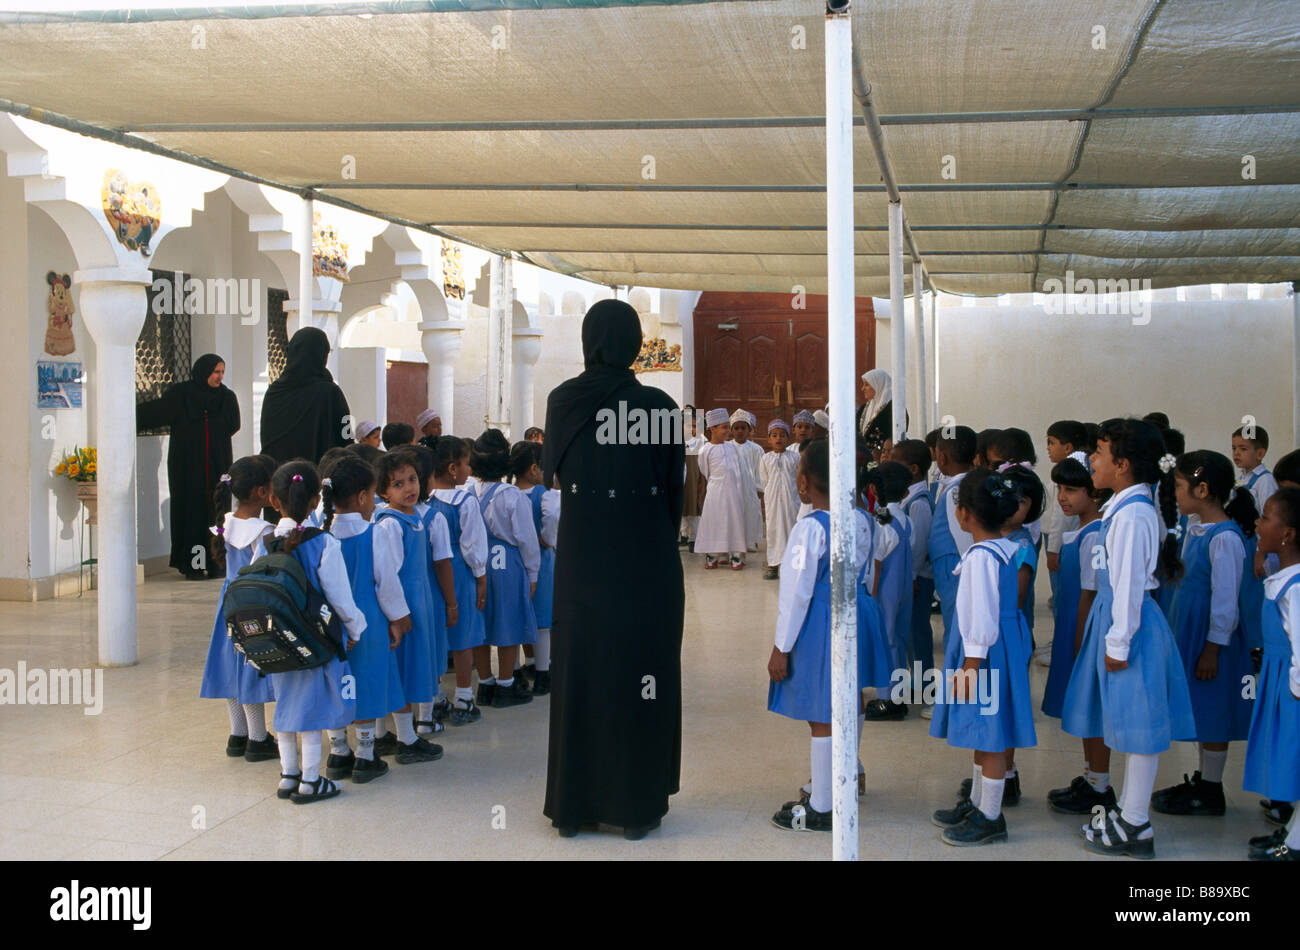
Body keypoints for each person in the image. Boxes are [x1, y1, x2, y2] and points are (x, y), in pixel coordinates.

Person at [541, 299, 684, 840]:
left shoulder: (563, 402)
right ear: (633, 343)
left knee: (582, 671)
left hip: (583, 559)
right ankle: (634, 807)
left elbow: (554, 473)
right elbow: (674, 493)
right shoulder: (659, 407)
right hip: (644, 559)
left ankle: (574, 808)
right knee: (640, 673)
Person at [1060, 418, 1197, 858]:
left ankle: (1136, 823)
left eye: (1097, 453)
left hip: (1129, 629)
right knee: (1128, 722)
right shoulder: (1125, 506)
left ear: (1121, 465)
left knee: (1139, 727)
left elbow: (1130, 587)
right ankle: (1129, 814)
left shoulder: (1134, 515)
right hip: (1120, 623)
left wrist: (1117, 645)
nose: (1091, 461)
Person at [929, 468, 1037, 846]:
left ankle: (990, 816)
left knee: (990, 734)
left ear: (964, 515)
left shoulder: (979, 556)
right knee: (983, 729)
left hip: (983, 654)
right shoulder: (1008, 548)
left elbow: (983, 615)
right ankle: (978, 803)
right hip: (999, 648)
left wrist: (971, 666)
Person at [1152, 450, 1258, 817]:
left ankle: (1212, 789)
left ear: (1202, 490)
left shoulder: (1224, 538)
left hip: (1213, 642)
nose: (1175, 494)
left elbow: (1227, 603)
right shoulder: (1196, 529)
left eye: (1179, 487)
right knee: (1200, 708)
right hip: (1194, 634)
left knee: (1214, 711)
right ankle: (1203, 778)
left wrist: (1213, 649)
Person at [260, 461, 363, 804]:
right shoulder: (324, 544)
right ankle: (310, 781)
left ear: (274, 501)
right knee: (313, 709)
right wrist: (354, 629)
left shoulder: (265, 541)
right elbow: (339, 596)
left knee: (286, 706)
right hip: (315, 639)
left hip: (278, 639)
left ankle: (288, 775)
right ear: (317, 498)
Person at [320, 455, 407, 784]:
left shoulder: (320, 534)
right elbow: (387, 584)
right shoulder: (374, 534)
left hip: (330, 623)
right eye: (372, 494)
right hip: (368, 621)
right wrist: (398, 619)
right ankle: (366, 758)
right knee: (367, 684)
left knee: (337, 684)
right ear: (360, 497)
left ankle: (338, 753)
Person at [199, 454, 277, 761]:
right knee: (250, 665)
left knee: (229, 662)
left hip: (227, 601)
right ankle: (258, 738)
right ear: (262, 492)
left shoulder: (226, 522)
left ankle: (237, 733)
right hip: (251, 604)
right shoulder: (263, 530)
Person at [371, 450, 446, 764]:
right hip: (404, 605)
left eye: (412, 479)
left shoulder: (415, 517)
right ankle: (406, 739)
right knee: (402, 670)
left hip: (419, 599)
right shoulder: (390, 524)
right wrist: (397, 616)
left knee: (413, 666)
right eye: (398, 484)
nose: (408, 488)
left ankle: (390, 735)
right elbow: (389, 575)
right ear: (384, 492)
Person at [136, 353, 241, 579]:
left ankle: (215, 564)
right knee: (190, 514)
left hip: (217, 466)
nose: (219, 377)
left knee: (216, 514)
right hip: (187, 468)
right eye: (215, 372)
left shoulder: (226, 397)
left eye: (222, 372)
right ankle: (193, 565)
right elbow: (158, 411)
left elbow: (234, 424)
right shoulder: (181, 395)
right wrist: (127, 414)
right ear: (204, 372)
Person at [1242, 488, 1300, 861]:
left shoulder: (1296, 588)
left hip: (1293, 688)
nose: (1258, 523)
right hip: (1282, 682)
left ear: (1288, 533)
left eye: (1265, 517)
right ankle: (1294, 832)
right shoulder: (1285, 578)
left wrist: (1293, 691)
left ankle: (1295, 845)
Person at [470, 429, 539, 708]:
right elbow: (527, 540)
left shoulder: (468, 492)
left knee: (480, 626)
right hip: (507, 566)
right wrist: (533, 573)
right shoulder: (512, 496)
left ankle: (484, 684)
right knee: (508, 624)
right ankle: (506, 684)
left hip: (477, 566)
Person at [426, 436, 488, 725]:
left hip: (432, 575)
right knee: (464, 636)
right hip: (461, 575)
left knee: (438, 636)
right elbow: (473, 545)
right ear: (453, 468)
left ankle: (437, 696)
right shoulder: (466, 501)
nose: (469, 468)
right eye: (465, 463)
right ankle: (464, 697)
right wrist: (481, 577)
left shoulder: (424, 503)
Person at [260, 328, 350, 467]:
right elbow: (346, 436)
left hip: (279, 478)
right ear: (320, 355)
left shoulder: (274, 392)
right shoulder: (329, 392)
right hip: (318, 478)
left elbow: (267, 441)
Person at [863, 462, 911, 721]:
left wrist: (870, 597)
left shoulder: (880, 522)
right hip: (903, 590)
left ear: (872, 489)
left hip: (885, 593)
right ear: (905, 493)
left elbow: (876, 565)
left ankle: (888, 699)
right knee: (899, 641)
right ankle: (898, 693)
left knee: (886, 641)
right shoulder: (904, 518)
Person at [512, 440, 559, 695]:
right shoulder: (543, 494)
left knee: (522, 613)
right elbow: (552, 517)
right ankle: (543, 673)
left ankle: (527, 663)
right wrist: (547, 540)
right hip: (541, 560)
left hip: (515, 561)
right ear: (533, 468)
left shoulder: (508, 492)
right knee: (542, 620)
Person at [892, 440, 937, 693]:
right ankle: (917, 678)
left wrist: (910, 578)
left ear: (914, 469)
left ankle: (926, 684)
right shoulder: (909, 497)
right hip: (911, 579)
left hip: (918, 579)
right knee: (909, 632)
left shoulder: (919, 503)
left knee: (918, 632)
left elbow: (918, 549)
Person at [929, 426, 977, 664]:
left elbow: (964, 538)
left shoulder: (956, 492)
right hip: (954, 571)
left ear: (942, 457)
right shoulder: (962, 485)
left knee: (957, 628)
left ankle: (955, 690)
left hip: (956, 570)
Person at [695, 408, 748, 570]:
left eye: (728, 427)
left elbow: (737, 469)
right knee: (714, 521)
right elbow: (705, 471)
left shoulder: (732, 448)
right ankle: (712, 554)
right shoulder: (705, 450)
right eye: (724, 427)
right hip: (715, 491)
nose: (728, 431)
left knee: (734, 520)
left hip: (733, 491)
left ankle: (736, 555)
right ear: (712, 429)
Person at [760, 419, 799, 580]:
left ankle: (791, 563)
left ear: (788, 438)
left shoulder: (795, 457)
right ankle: (773, 563)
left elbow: (798, 478)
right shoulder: (765, 459)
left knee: (792, 528)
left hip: (791, 501)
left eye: (782, 435)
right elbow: (764, 481)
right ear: (769, 439)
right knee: (773, 530)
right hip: (773, 501)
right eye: (774, 435)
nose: (778, 439)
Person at [731, 409, 764, 553]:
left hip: (750, 488)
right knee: (734, 514)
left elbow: (760, 470)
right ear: (731, 430)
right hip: (732, 488)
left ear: (749, 430)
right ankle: (734, 542)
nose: (740, 431)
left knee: (751, 514)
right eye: (736, 428)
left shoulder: (756, 449)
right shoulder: (727, 447)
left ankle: (751, 541)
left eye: (743, 428)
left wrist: (759, 488)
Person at [680, 406, 706, 549]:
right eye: (689, 425)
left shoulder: (701, 442)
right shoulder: (676, 441)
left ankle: (694, 537)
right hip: (680, 480)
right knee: (682, 507)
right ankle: (683, 534)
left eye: (695, 426)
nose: (692, 429)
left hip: (694, 479)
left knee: (693, 508)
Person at [856, 369, 895, 460]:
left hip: (883, 460)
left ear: (878, 385)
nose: (862, 388)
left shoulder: (893, 409)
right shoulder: (863, 409)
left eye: (867, 384)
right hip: (863, 459)